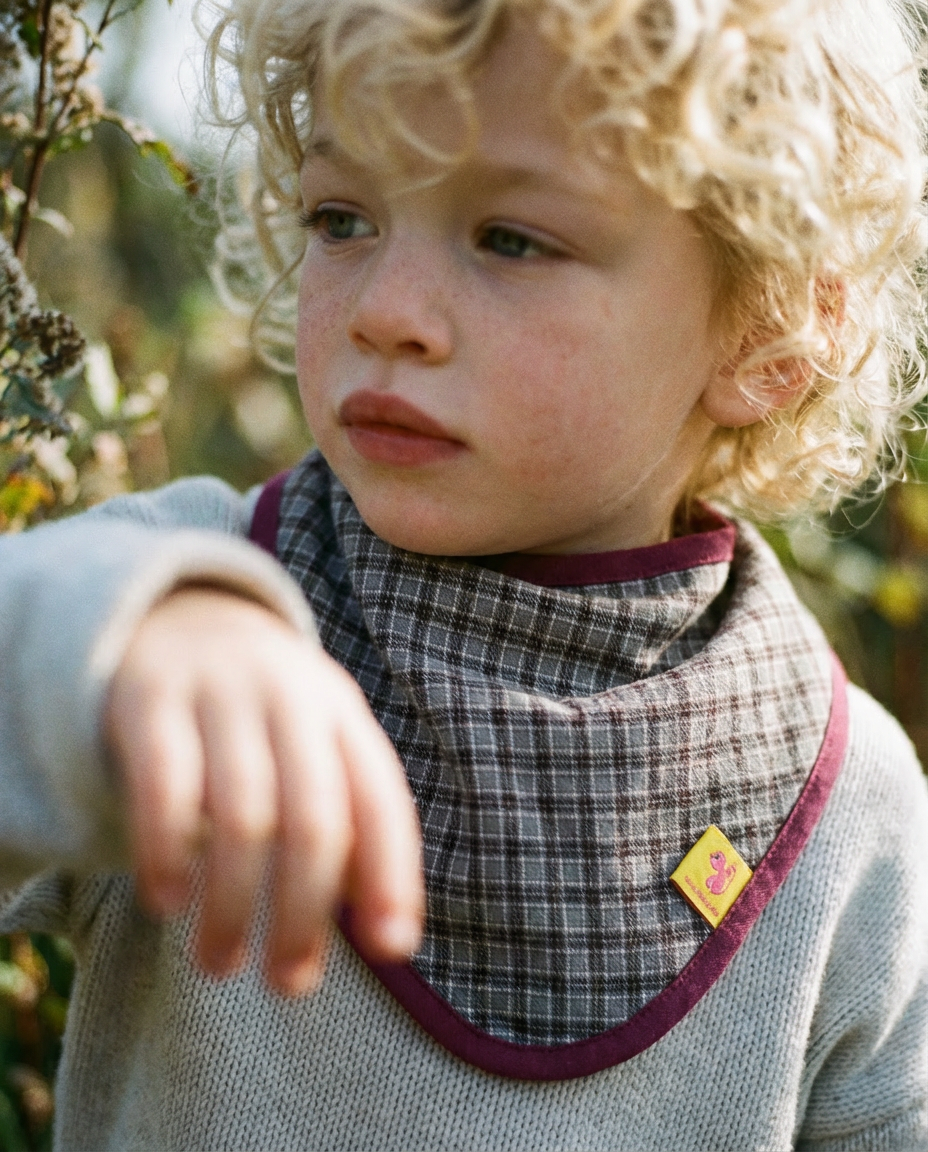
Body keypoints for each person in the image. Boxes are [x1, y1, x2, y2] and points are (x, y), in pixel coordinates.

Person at [1, 0, 926, 1146]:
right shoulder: (178, 601)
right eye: (341, 217)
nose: (386, 312)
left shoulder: (851, 808)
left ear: (769, 334)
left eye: (511, 238)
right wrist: (104, 648)